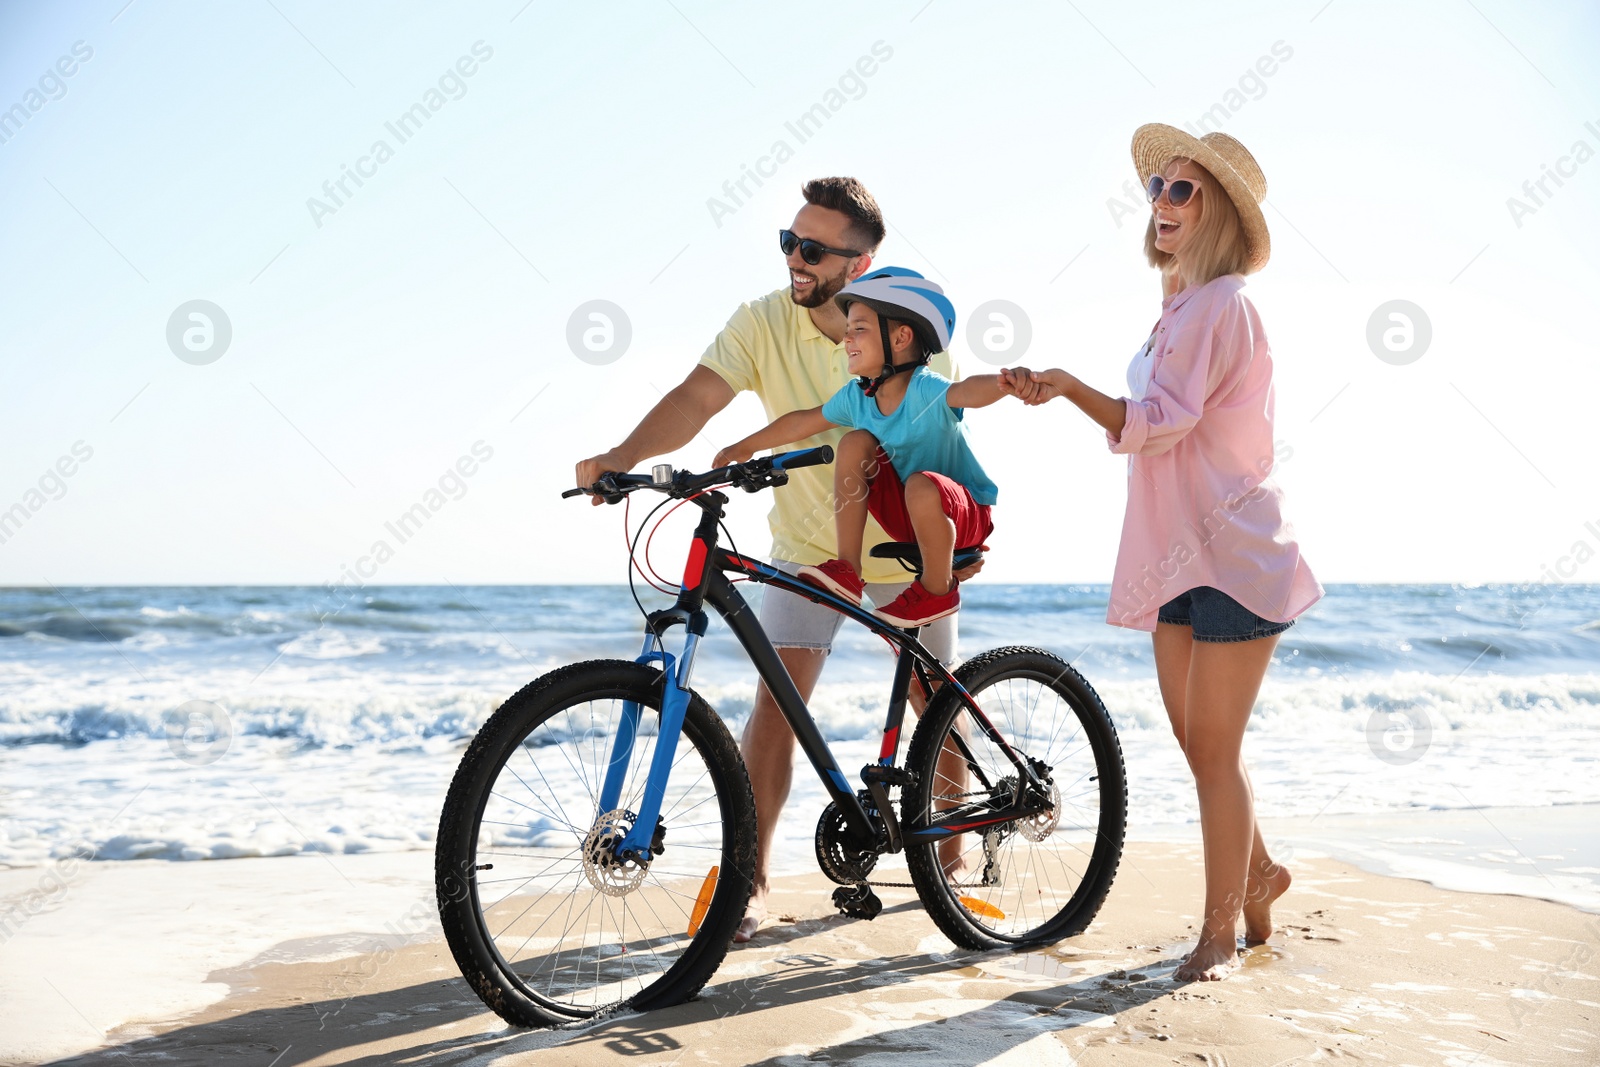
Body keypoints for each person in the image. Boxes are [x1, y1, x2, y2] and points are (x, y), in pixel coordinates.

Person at [575, 179, 1021, 941]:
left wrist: (961, 538)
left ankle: (949, 861)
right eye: (789, 240)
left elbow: (945, 439)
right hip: (807, 554)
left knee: (933, 704)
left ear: (862, 260)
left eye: (813, 249)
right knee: (774, 712)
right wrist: (622, 458)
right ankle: (748, 884)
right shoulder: (762, 322)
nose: (795, 259)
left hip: (904, 552)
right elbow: (695, 398)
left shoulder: (898, 323)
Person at [1020, 126, 1322, 981]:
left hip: (1234, 557)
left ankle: (1219, 934)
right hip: (1177, 560)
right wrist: (1076, 391)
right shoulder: (1177, 311)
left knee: (1214, 753)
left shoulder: (1222, 303)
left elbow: (1158, 424)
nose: (1161, 201)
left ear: (1218, 211)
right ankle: (1258, 876)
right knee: (1199, 746)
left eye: (1182, 190)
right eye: (1157, 185)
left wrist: (1073, 388)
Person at [714, 267, 1017, 628]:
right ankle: (848, 570)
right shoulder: (859, 397)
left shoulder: (925, 389)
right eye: (847, 331)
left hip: (963, 516)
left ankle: (939, 591)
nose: (847, 341)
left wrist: (1008, 382)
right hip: (907, 515)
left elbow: (967, 391)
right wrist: (745, 445)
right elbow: (803, 421)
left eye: (859, 329)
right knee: (855, 441)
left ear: (902, 338)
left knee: (921, 484)